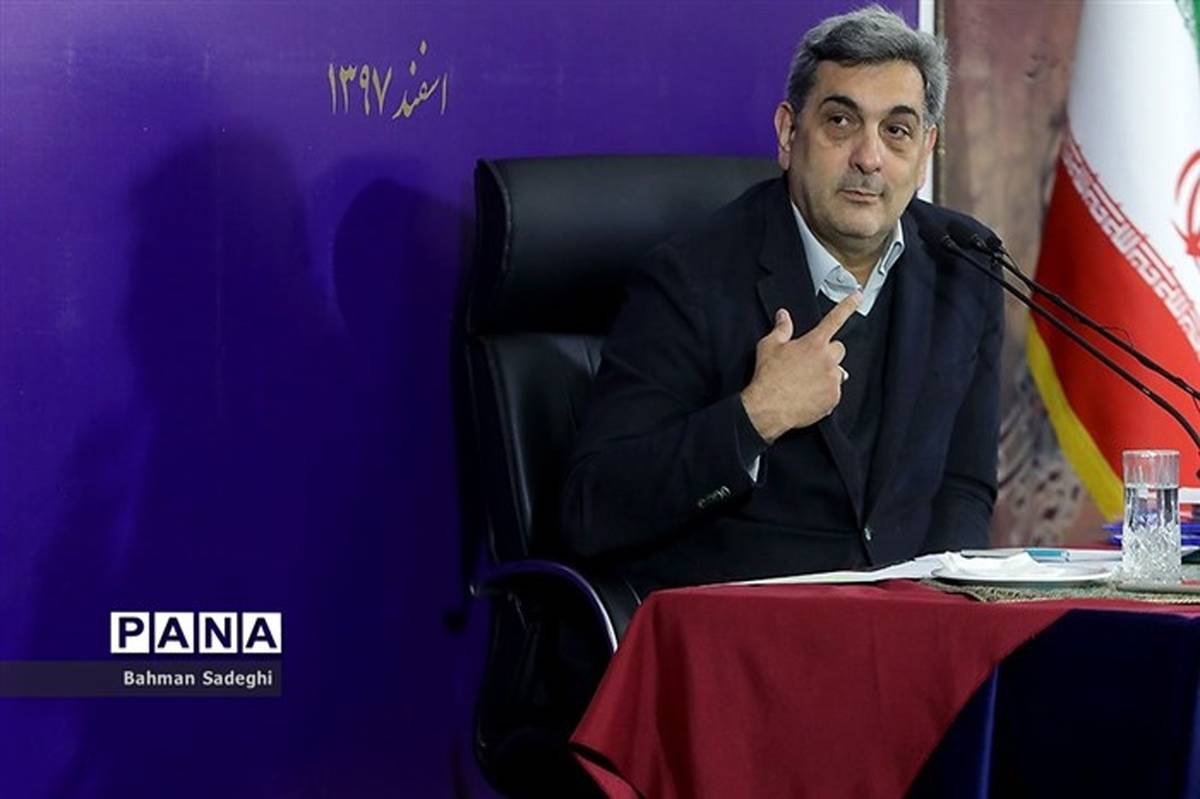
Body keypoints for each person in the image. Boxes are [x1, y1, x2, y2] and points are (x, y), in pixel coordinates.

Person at [561, 5, 1003, 593]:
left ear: (926, 152)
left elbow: (964, 486)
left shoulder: (965, 262)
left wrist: (945, 609)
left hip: (907, 625)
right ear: (789, 134)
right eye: (841, 122)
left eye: (896, 131)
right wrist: (757, 415)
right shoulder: (693, 278)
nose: (869, 157)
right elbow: (591, 509)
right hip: (749, 626)